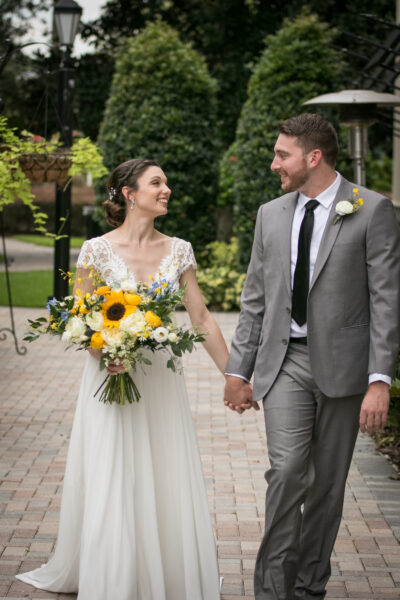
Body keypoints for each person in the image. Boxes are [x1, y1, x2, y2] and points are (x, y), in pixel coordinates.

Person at [17, 158, 229, 599]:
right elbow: (78, 317)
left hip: (160, 383)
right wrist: (106, 349)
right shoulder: (95, 250)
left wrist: (233, 374)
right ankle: (115, 575)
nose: (167, 189)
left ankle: (165, 573)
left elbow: (201, 317)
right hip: (108, 379)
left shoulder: (180, 249)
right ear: (129, 193)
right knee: (114, 471)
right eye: (157, 183)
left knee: (161, 469)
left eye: (167, 182)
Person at [223, 113, 400, 600]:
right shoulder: (270, 214)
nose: (275, 162)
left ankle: (309, 587)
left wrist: (379, 379)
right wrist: (238, 369)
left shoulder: (371, 209)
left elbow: (386, 300)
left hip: (345, 370)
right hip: (285, 364)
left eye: (283, 154)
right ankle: (272, 590)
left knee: (326, 485)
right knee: (286, 471)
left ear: (313, 157)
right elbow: (255, 297)